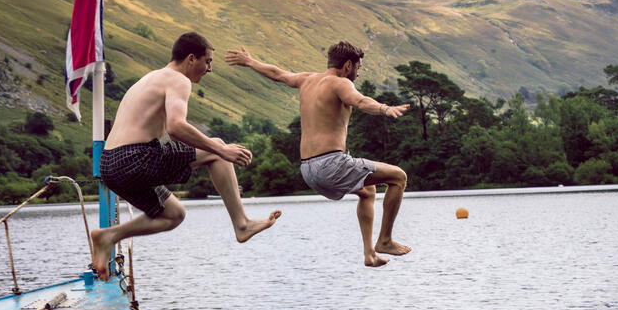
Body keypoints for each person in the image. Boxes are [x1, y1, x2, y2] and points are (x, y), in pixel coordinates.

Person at [90, 32, 281, 279]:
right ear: (191, 59)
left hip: (111, 165)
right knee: (218, 148)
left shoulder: (151, 78)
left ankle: (108, 236)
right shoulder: (178, 80)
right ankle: (241, 224)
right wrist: (221, 150)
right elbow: (176, 127)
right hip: (134, 158)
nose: (210, 69)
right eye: (208, 61)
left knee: (174, 214)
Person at [225, 41, 411, 267]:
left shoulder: (306, 79)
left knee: (368, 190)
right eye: (358, 68)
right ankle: (385, 240)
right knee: (398, 177)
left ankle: (369, 254)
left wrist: (250, 62)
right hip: (331, 165)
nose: (358, 74)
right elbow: (360, 101)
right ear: (347, 65)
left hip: (307, 170)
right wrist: (384, 108)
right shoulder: (340, 83)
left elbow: (278, 74)